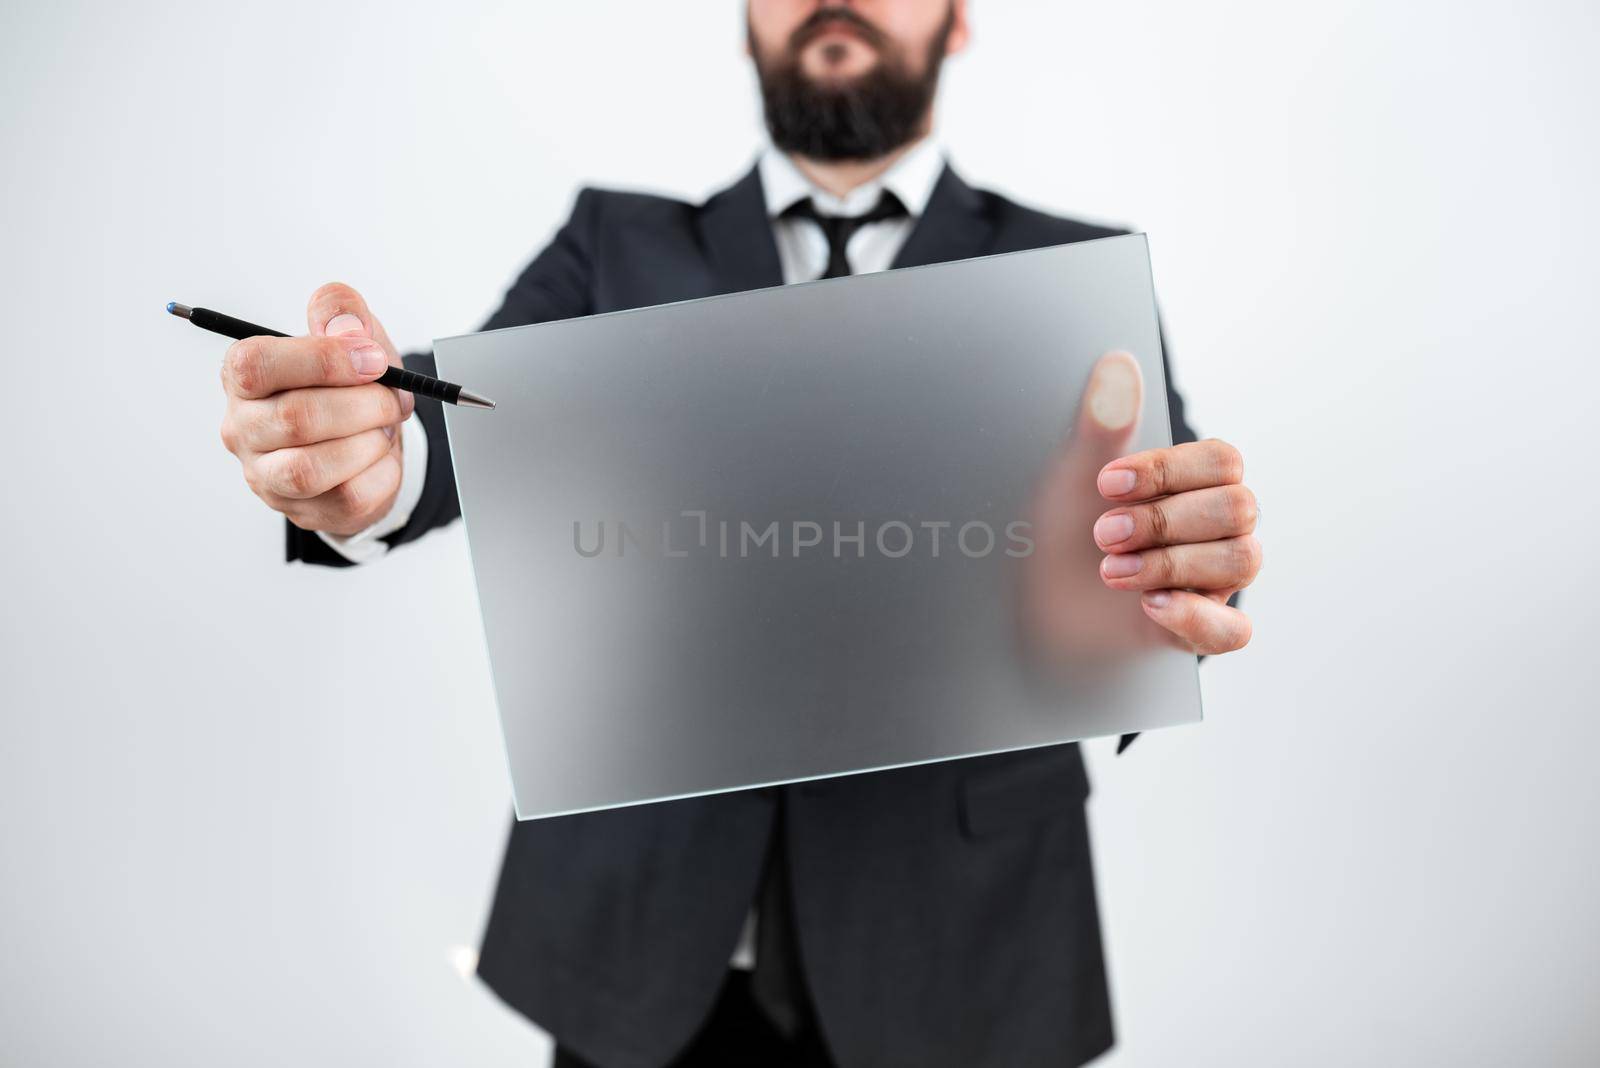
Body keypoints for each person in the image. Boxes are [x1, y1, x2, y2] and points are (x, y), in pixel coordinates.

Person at [214, 2, 1261, 1065]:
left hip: (955, 951)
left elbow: (1158, 533)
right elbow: (461, 429)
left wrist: (1179, 577)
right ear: (743, 23)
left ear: (959, 21)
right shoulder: (610, 247)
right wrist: (371, 471)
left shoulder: (1071, 272)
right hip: (645, 947)